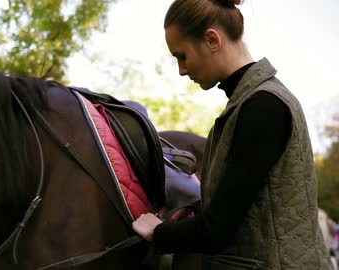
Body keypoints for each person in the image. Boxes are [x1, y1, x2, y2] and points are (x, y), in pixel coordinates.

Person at [132, 0, 333, 269]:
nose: (182, 70)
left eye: (182, 56)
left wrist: (157, 232)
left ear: (212, 40)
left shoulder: (263, 106)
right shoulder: (250, 103)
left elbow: (216, 230)